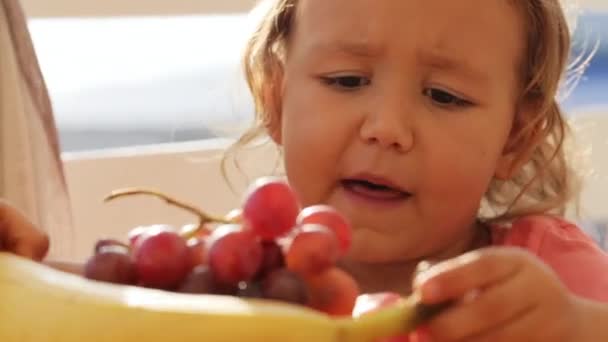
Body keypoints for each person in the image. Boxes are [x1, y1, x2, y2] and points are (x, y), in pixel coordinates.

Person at [2, 0, 608, 340]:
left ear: (516, 136)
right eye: (347, 81)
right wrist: (20, 271)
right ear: (274, 98)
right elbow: (113, 302)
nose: (387, 128)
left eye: (444, 96)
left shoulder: (547, 280)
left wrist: (576, 327)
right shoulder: (234, 275)